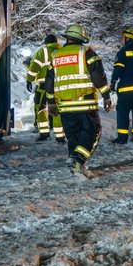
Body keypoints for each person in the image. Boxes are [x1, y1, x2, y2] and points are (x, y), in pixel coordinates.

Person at [44, 24, 112, 175]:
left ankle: (75, 168)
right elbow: (98, 76)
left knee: (73, 137)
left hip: (65, 106)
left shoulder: (55, 55)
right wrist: (106, 95)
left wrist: (51, 103)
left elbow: (49, 81)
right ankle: (77, 159)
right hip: (85, 104)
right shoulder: (86, 53)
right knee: (93, 133)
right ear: (82, 37)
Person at [26, 34, 64, 142]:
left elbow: (34, 68)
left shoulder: (43, 51)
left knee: (41, 108)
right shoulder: (61, 52)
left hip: (43, 86)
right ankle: (60, 136)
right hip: (58, 86)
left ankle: (44, 133)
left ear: (46, 43)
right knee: (56, 110)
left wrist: (29, 80)